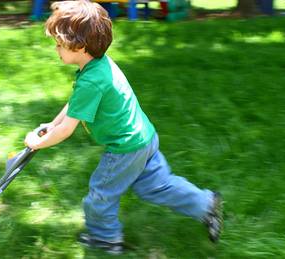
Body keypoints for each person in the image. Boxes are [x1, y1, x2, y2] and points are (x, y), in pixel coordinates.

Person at [24, 0, 223, 254]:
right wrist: (52, 123)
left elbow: (68, 129)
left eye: (59, 45)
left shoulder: (92, 80)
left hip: (125, 148)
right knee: (156, 185)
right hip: (144, 137)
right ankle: (206, 205)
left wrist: (37, 142)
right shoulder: (100, 64)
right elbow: (75, 105)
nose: (56, 49)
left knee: (101, 194)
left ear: (80, 46)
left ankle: (105, 238)